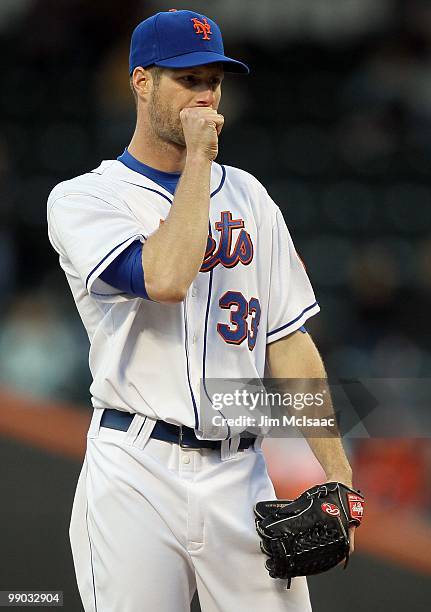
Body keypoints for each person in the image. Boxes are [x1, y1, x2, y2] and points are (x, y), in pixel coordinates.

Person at [47, 9, 355, 612]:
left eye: (212, 79)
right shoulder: (86, 197)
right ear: (141, 82)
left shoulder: (251, 196)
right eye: (187, 79)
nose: (205, 95)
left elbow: (287, 341)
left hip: (240, 471)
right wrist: (196, 160)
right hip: (136, 465)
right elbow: (162, 278)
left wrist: (339, 475)